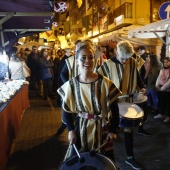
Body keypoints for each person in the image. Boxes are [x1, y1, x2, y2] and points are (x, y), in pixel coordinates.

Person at [57, 44, 121, 162]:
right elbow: (66, 110)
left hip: (102, 130)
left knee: (103, 164)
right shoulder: (71, 85)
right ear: (76, 61)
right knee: (78, 164)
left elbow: (115, 109)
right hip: (80, 129)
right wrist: (71, 130)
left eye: (91, 57)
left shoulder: (105, 83)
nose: (88, 61)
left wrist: (112, 130)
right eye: (83, 58)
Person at [98, 41, 147, 170]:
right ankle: (106, 158)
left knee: (128, 129)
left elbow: (137, 76)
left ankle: (129, 157)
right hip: (112, 102)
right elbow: (100, 83)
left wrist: (142, 87)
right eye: (123, 58)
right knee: (109, 131)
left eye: (127, 58)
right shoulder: (107, 66)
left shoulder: (132, 61)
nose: (125, 61)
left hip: (128, 100)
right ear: (117, 52)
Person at [155, 57, 170, 122]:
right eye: (164, 62)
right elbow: (159, 77)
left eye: (167, 62)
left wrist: (162, 88)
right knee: (161, 102)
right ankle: (161, 114)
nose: (165, 63)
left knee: (168, 104)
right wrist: (157, 85)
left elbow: (169, 82)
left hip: (167, 90)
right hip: (160, 88)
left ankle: (168, 116)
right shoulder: (162, 69)